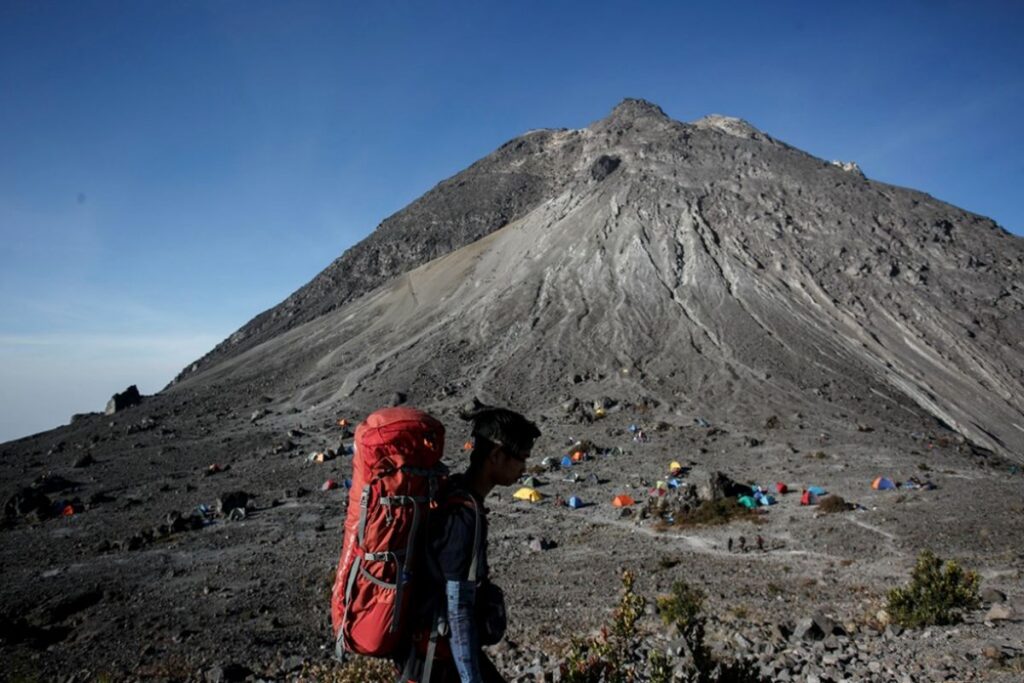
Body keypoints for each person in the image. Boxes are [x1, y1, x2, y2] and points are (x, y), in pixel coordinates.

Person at [399, 405, 541, 683]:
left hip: (424, 651)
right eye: (521, 457)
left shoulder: (451, 490)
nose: (524, 467)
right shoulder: (465, 515)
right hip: (434, 659)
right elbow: (458, 611)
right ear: (496, 456)